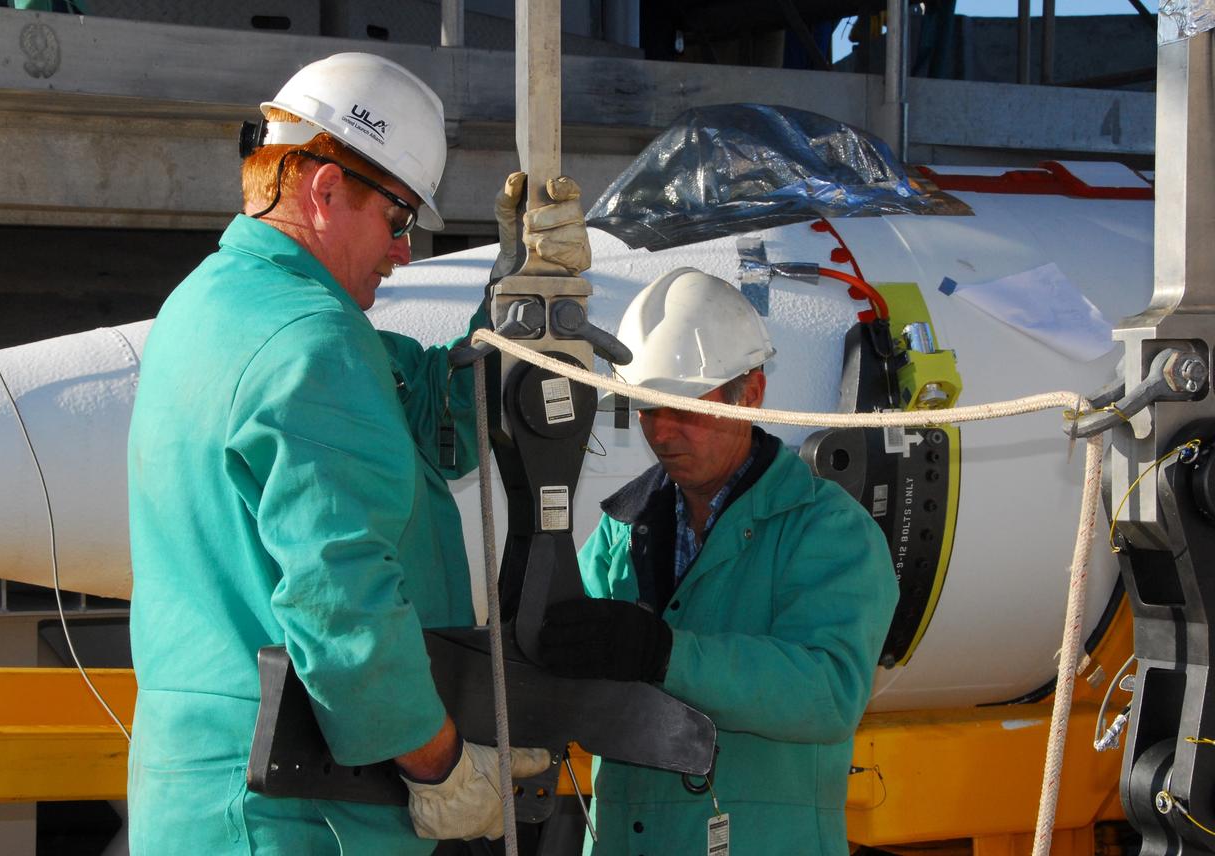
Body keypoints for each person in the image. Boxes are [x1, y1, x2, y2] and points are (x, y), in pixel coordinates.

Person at [126, 52, 587, 855]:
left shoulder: (209, 305)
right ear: (326, 189)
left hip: (209, 806)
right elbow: (341, 599)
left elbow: (423, 419)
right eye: (399, 219)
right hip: (301, 822)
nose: (404, 252)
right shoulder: (315, 344)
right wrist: (442, 766)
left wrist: (510, 308)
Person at [538, 268, 899, 856]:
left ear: (750, 394)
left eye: (684, 407)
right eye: (647, 408)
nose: (661, 432)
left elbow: (830, 693)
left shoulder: (828, 531)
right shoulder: (621, 531)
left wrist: (666, 655)